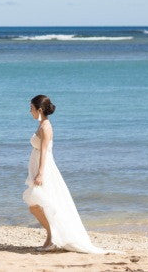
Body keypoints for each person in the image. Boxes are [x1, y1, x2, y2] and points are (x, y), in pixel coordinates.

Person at [22, 94, 117, 254]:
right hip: (39, 167)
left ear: (39, 110)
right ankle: (51, 238)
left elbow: (45, 151)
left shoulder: (46, 127)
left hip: (45, 169)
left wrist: (40, 173)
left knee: (39, 203)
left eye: (31, 108)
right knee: (39, 204)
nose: (29, 111)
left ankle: (52, 237)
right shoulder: (41, 125)